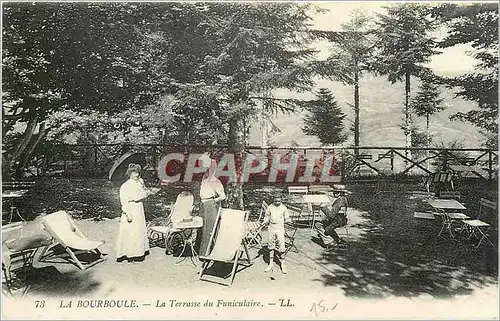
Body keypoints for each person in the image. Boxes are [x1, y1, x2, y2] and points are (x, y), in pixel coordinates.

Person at [116, 163, 159, 262]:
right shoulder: (125, 186)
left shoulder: (140, 182)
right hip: (131, 207)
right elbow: (124, 200)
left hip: (139, 207)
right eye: (133, 173)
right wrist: (127, 213)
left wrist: (148, 193)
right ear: (129, 174)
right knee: (131, 231)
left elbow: (143, 193)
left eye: (138, 173)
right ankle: (129, 254)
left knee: (138, 230)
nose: (136, 175)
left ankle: (139, 252)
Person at [198, 167, 226, 256]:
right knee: (202, 228)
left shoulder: (216, 182)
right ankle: (202, 250)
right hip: (203, 205)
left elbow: (223, 196)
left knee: (210, 229)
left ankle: (209, 252)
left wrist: (213, 201)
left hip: (211, 206)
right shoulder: (205, 181)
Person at [263, 194, 291, 274]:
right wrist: (265, 221)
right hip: (271, 227)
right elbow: (267, 215)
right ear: (273, 200)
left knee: (281, 245)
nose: (277, 202)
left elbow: (287, 217)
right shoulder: (270, 207)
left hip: (280, 228)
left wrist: (289, 220)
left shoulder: (283, 208)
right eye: (276, 201)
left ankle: (282, 263)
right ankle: (271, 263)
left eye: (279, 201)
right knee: (271, 245)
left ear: (281, 201)